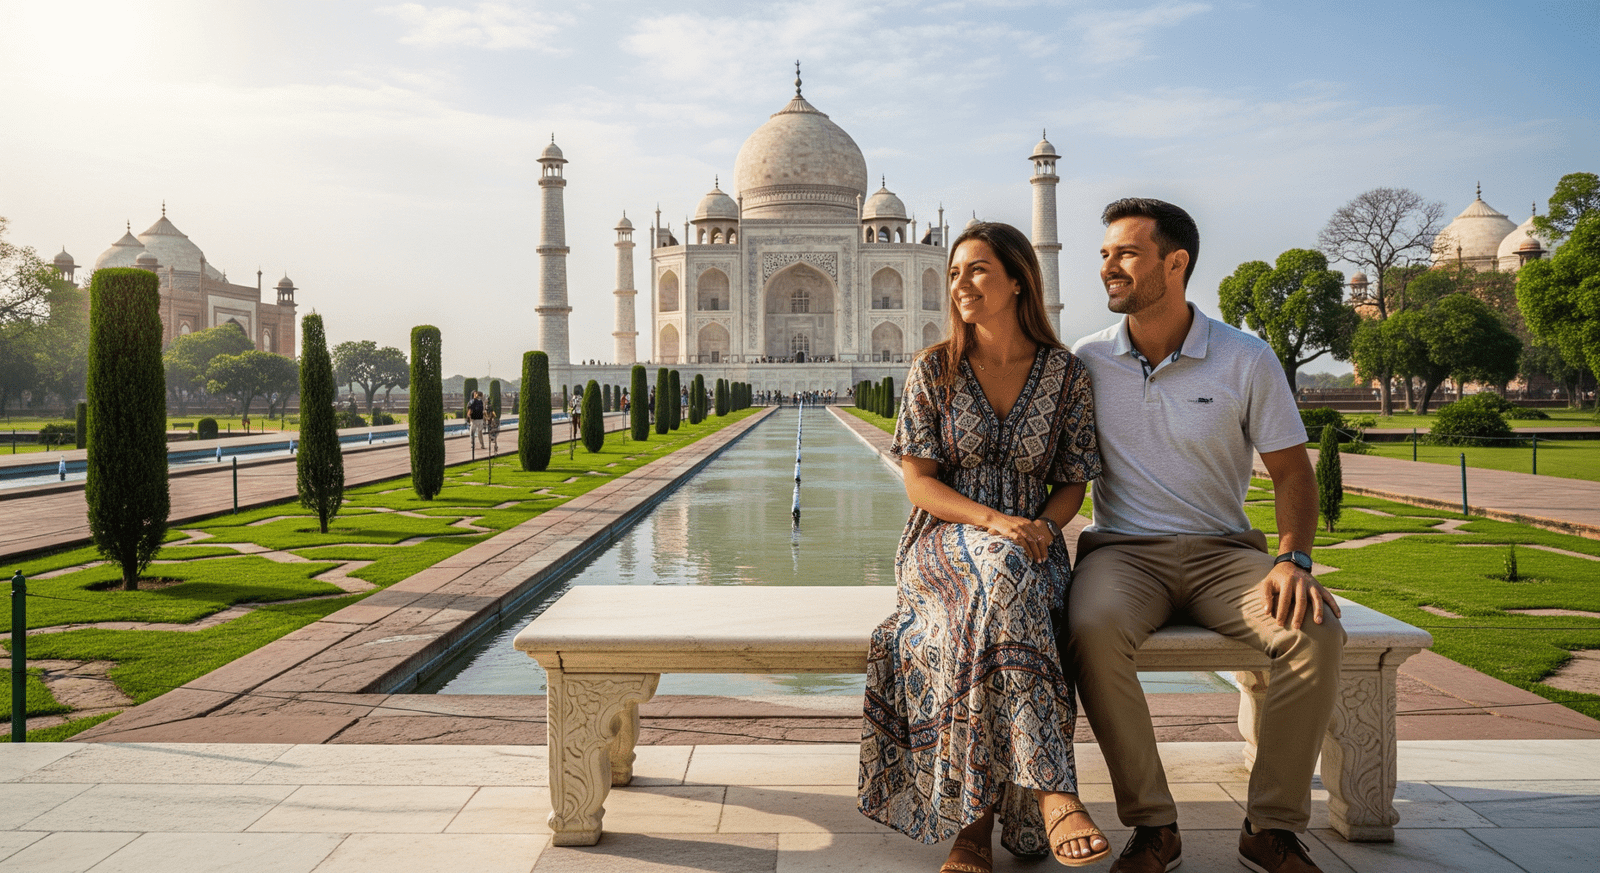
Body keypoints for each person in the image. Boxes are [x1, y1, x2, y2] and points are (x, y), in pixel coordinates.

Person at [1068, 198, 1344, 873]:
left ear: (1176, 262)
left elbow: (1291, 473)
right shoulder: (1088, 360)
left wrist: (1294, 559)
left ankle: (1272, 825)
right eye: (1105, 254)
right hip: (1125, 552)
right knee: (1091, 627)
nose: (1108, 265)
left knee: (1313, 631)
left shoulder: (1244, 358)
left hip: (1225, 552)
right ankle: (1154, 824)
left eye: (1125, 253)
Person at [860, 222, 1108, 871]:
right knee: (1001, 570)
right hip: (940, 545)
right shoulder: (933, 369)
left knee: (1002, 586)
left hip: (1034, 545)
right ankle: (1053, 791)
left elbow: (1072, 482)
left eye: (976, 270)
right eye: (953, 272)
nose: (960, 284)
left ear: (1019, 279)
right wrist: (998, 522)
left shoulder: (1066, 375)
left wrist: (1042, 529)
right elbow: (920, 484)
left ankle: (971, 826)